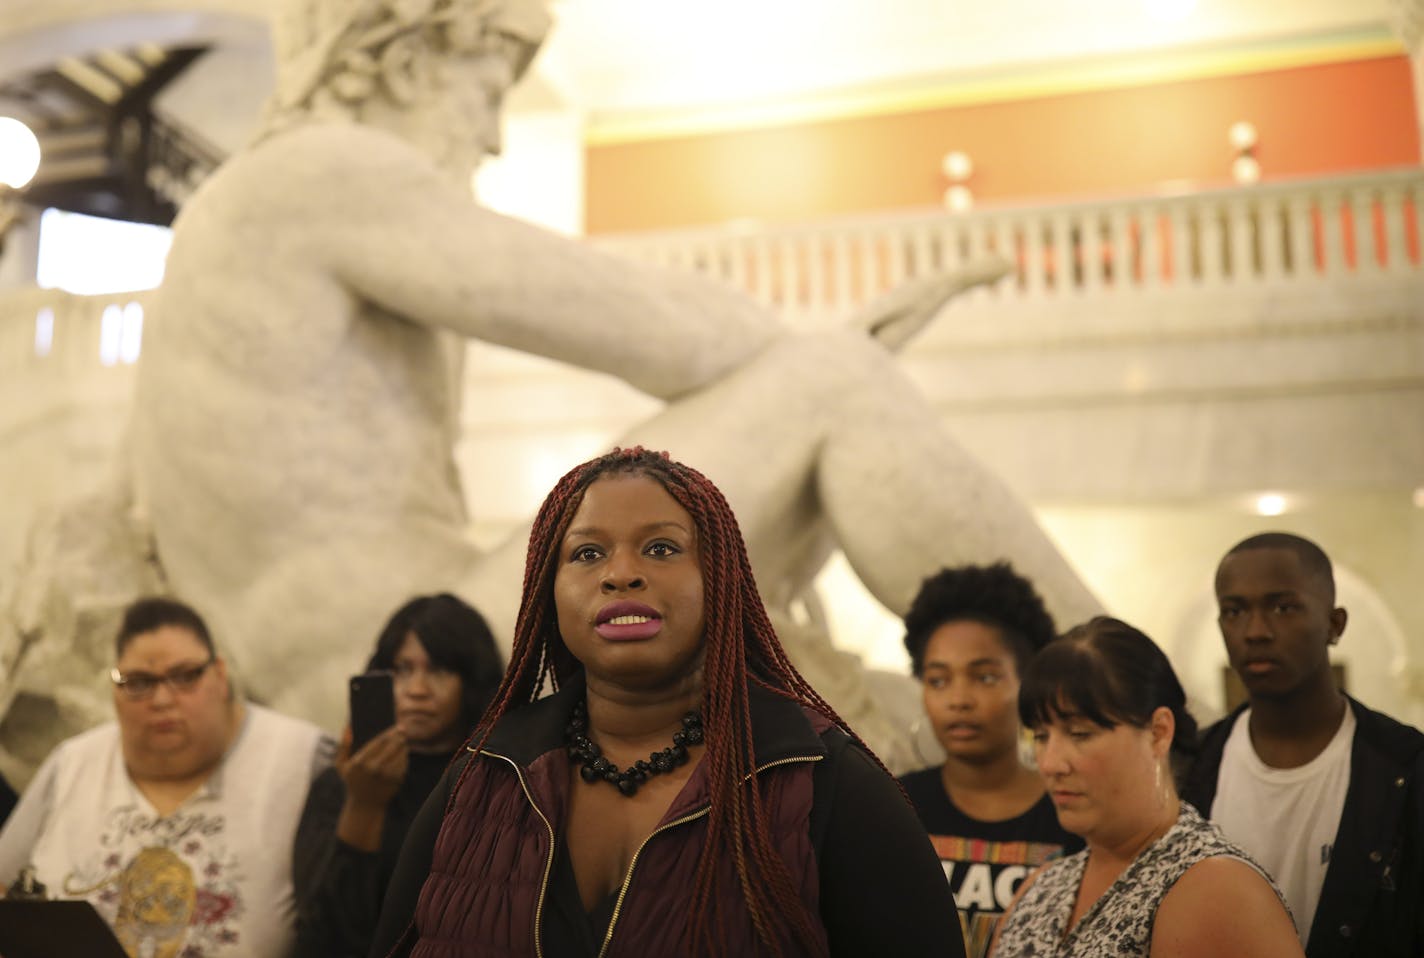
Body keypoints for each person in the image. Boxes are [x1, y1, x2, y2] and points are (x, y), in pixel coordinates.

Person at [2, 0, 1100, 782]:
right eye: (483, 91)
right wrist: (824, 350)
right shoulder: (319, 174)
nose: (486, 132)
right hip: (429, 664)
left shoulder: (229, 228)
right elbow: (646, 325)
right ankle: (1125, 701)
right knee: (837, 383)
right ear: (392, 63)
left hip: (359, 671)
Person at [369, 447, 965, 957]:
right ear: (547, 593)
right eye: (586, 553)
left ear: (721, 580)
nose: (621, 574)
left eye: (660, 549)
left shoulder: (823, 781)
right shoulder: (483, 777)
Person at [0, 597, 330, 957]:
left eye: (185, 677)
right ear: (114, 691)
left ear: (221, 675)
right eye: (139, 682)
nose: (161, 699)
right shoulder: (72, 764)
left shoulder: (300, 761)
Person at [991, 616, 1302, 957]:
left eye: (1080, 734)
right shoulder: (1043, 886)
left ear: (1158, 732)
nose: (1050, 763)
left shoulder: (1217, 887)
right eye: (1040, 736)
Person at [1182, 532, 1424, 957]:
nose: (1255, 631)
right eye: (1234, 611)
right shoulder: (1193, 767)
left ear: (1335, 624)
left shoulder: (1405, 767)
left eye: (1283, 607)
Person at [293, 592, 504, 958]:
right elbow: (323, 939)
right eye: (401, 670)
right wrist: (364, 805)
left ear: (470, 682)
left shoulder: (500, 781)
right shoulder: (344, 782)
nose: (417, 690)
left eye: (438, 670)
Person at [896, 563, 1081, 958]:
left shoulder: (1074, 807)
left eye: (984, 677)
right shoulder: (894, 804)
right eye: (938, 680)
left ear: (1026, 683)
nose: (959, 699)